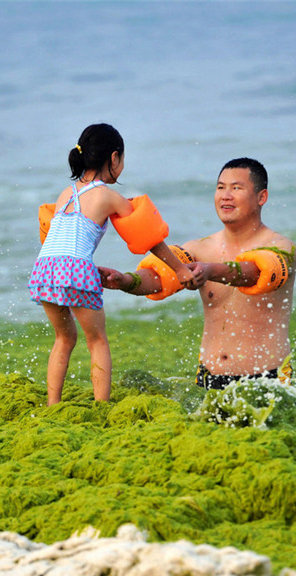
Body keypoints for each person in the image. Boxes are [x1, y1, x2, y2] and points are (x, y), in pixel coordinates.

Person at [28, 124, 200, 405]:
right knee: (97, 340)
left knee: (64, 339)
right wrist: (180, 269)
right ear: (114, 158)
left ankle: (52, 405)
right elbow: (148, 237)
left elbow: (58, 239)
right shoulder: (108, 196)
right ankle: (101, 406)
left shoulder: (64, 194)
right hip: (75, 268)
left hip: (45, 268)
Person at [100, 157, 296, 390]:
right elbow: (158, 277)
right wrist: (125, 281)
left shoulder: (283, 248)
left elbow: (256, 273)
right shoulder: (200, 249)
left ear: (261, 197)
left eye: (236, 188)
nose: (226, 195)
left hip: (269, 379)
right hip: (209, 379)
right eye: (220, 187)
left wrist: (210, 269)